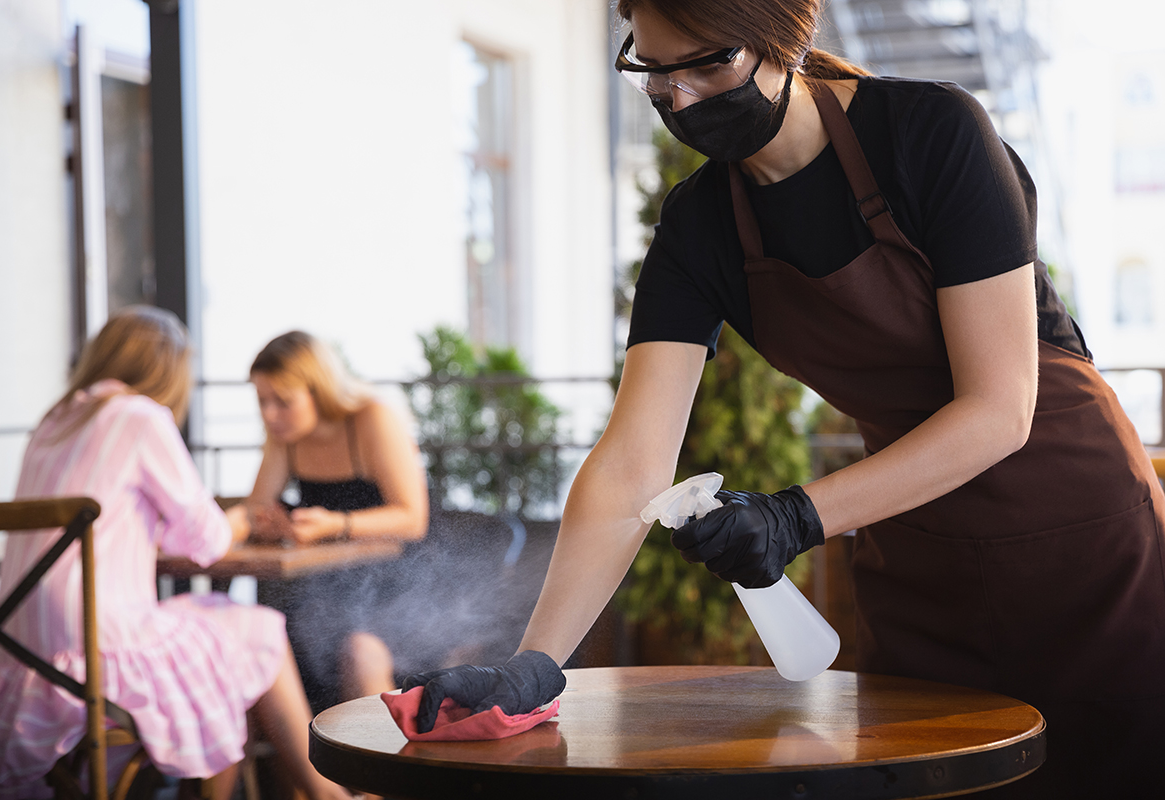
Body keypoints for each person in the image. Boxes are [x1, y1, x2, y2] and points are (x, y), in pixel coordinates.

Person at [401, 2, 1165, 797]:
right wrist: (537, 664)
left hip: (1080, 537)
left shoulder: (932, 132)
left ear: (785, 42)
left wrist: (796, 516)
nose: (682, 97)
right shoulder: (699, 229)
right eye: (656, 70)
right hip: (919, 552)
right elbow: (631, 464)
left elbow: (1000, 409)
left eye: (708, 64)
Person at [0, 307, 352, 800]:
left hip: (23, 659)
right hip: (98, 654)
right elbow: (208, 540)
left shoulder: (55, 421)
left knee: (221, 643)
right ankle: (326, 795)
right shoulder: (141, 416)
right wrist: (242, 519)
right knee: (256, 633)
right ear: (168, 369)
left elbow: (119, 525)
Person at [236, 331, 429, 711]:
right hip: (330, 589)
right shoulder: (285, 434)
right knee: (257, 645)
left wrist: (336, 526)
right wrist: (273, 525)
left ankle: (381, 768)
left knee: (359, 654)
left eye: (282, 402)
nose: (269, 415)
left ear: (319, 391)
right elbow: (256, 510)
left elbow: (413, 519)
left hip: (404, 585)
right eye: (262, 401)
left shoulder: (372, 418)